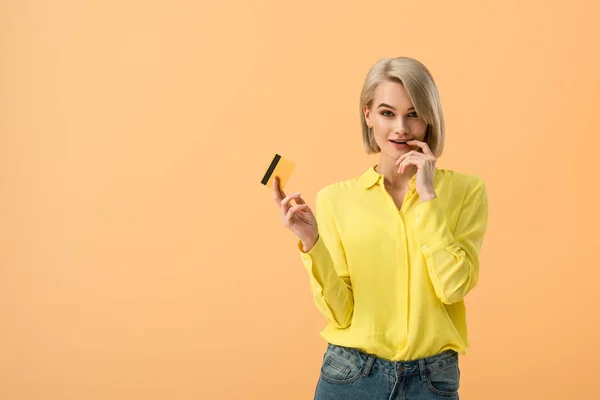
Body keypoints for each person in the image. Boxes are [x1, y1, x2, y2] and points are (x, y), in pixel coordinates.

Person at [272, 56, 488, 399]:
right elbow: (341, 315)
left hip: (432, 381)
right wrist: (312, 242)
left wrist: (428, 196)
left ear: (429, 117)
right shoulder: (334, 199)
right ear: (368, 115)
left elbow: (453, 288)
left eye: (413, 113)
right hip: (350, 376)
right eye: (388, 113)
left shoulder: (466, 191)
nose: (401, 127)